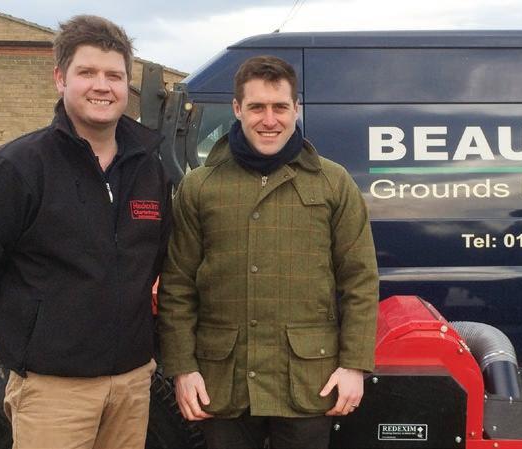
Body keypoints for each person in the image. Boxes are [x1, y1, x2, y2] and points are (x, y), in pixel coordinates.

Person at [0, 15, 171, 449]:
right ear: (60, 79)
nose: (102, 86)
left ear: (127, 85)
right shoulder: (15, 168)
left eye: (114, 75)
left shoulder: (149, 170)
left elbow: (153, 259)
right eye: (87, 72)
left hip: (132, 384)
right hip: (53, 390)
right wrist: (27, 341)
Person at [158, 55, 379, 449]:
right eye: (257, 107)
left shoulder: (334, 182)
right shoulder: (200, 186)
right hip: (221, 382)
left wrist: (354, 366)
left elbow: (359, 280)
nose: (269, 119)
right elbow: (177, 286)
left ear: (297, 109)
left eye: (280, 107)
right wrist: (182, 369)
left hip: (308, 380)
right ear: (237, 108)